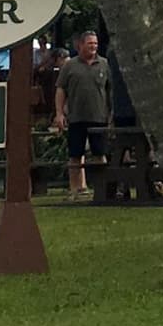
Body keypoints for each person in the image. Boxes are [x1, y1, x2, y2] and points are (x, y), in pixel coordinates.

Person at [53, 31, 111, 200]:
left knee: (100, 154)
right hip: (76, 117)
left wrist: (111, 114)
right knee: (75, 155)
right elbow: (60, 89)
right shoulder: (70, 66)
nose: (93, 46)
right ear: (81, 45)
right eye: (90, 43)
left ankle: (102, 189)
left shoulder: (104, 64)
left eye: (95, 43)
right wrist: (59, 113)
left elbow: (110, 90)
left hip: (99, 117)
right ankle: (75, 189)